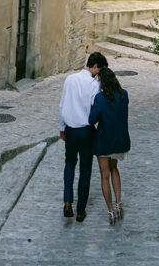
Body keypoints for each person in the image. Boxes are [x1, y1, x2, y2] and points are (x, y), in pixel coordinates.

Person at [58, 51, 108, 222]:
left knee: (69, 164)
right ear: (95, 67)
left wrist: (61, 128)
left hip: (71, 130)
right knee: (85, 170)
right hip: (86, 131)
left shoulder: (70, 79)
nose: (98, 74)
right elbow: (95, 109)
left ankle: (67, 202)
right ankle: (80, 210)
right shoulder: (94, 85)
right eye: (99, 70)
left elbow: (62, 104)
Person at [89, 65, 131, 225]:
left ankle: (111, 211)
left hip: (104, 141)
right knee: (115, 169)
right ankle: (119, 203)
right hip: (119, 140)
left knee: (104, 176)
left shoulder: (100, 98)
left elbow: (92, 119)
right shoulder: (124, 95)